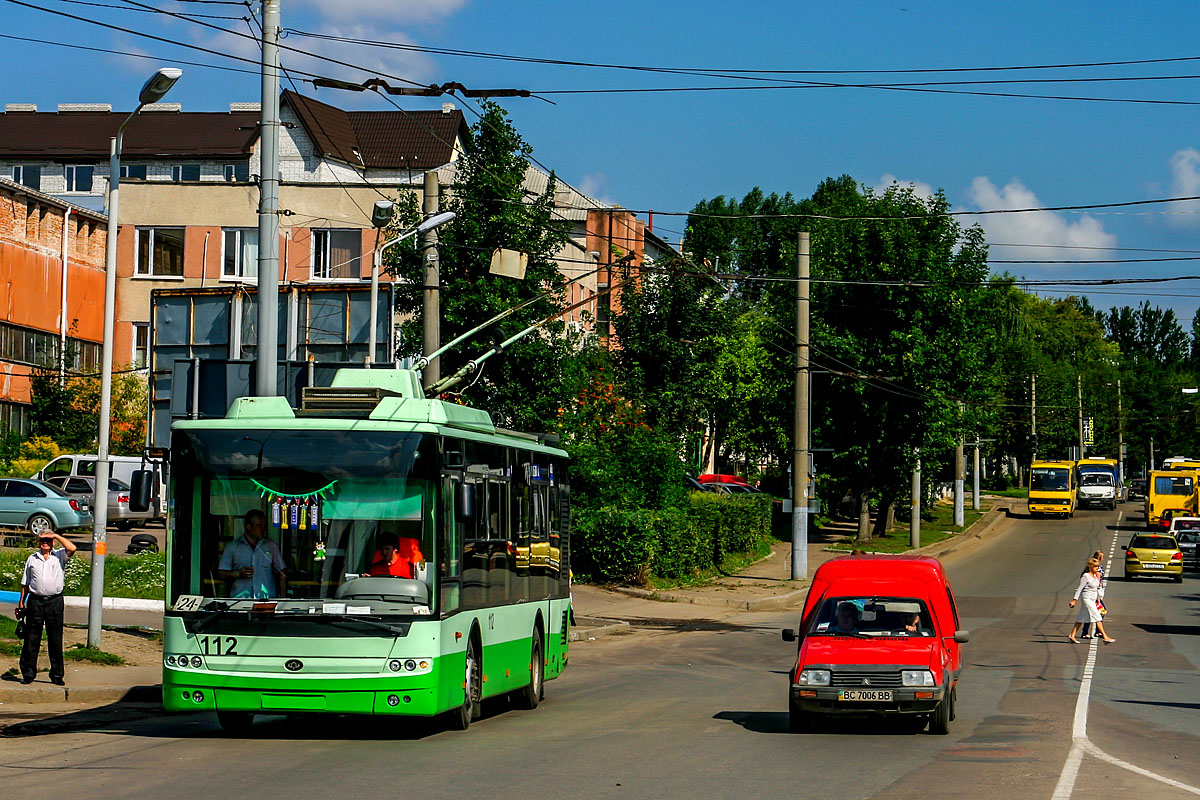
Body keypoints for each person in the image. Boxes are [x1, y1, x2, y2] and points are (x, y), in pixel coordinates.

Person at [17, 532, 77, 685]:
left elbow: (72, 548)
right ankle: (28, 673)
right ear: (39, 542)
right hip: (35, 601)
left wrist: (55, 535)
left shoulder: (59, 556)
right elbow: (25, 583)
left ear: (53, 543)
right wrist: (21, 603)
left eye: (48, 541)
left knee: (55, 638)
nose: (45, 543)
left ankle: (57, 675)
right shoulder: (32, 559)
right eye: (43, 540)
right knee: (31, 639)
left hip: (54, 602)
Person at [218, 509, 288, 599]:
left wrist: (283, 599)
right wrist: (238, 574)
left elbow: (282, 573)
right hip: (239, 603)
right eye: (259, 525)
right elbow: (221, 573)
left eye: (264, 526)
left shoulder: (271, 546)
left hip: (266, 603)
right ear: (248, 526)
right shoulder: (232, 547)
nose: (263, 529)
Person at [1069, 558, 1115, 644]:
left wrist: (1098, 600)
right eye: (1095, 566)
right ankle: (1105, 637)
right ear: (1090, 567)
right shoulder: (1086, 576)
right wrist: (1074, 600)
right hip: (1087, 599)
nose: (1097, 568)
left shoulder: (1094, 576)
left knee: (1081, 618)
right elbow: (1079, 589)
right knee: (1098, 617)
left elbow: (1096, 588)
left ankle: (1072, 635)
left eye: (1098, 566)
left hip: (1093, 599)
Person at [1080, 551, 1106, 638]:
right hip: (1092, 594)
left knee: (1087, 614)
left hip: (1091, 594)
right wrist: (1098, 597)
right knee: (1100, 611)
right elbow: (1097, 582)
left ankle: (1084, 632)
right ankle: (1098, 632)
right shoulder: (1096, 568)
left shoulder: (1091, 567)